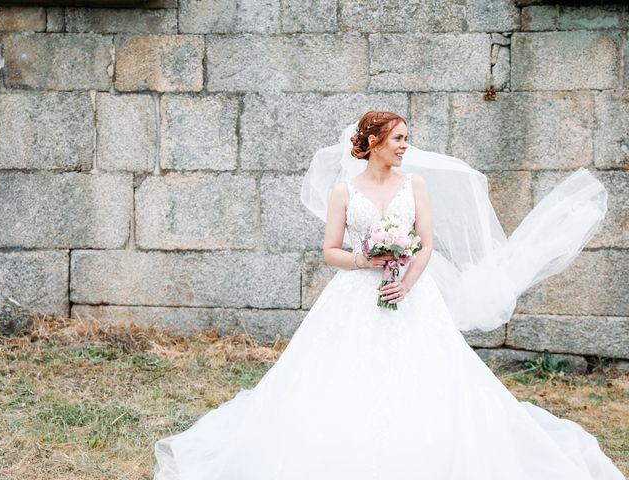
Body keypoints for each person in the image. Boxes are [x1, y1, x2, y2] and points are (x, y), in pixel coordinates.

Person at [153, 111, 625, 480]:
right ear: (374, 142)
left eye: (406, 139)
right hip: (355, 294)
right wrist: (366, 261)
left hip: (411, 294)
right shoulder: (344, 191)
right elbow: (330, 251)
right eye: (399, 139)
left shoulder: (414, 184)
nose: (405, 147)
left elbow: (426, 243)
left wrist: (407, 280)